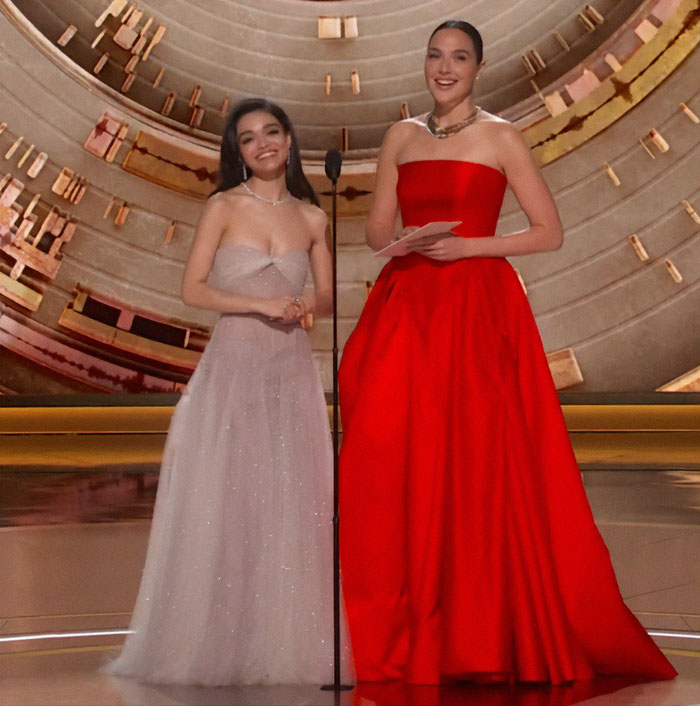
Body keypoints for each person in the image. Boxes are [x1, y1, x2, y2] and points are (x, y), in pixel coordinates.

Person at [338, 21, 677, 685]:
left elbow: (548, 233)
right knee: (393, 456)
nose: (444, 68)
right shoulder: (400, 136)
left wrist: (469, 247)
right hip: (407, 306)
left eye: (458, 58)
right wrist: (402, 239)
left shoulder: (501, 137)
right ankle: (405, 619)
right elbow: (377, 226)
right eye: (434, 56)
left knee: (476, 462)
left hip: (475, 310)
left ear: (478, 67)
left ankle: (478, 629)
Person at [106, 98, 352, 685]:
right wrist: (259, 302)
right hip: (232, 370)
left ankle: (284, 647)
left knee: (288, 509)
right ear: (236, 150)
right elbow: (193, 289)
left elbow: (329, 297)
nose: (263, 143)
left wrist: (303, 306)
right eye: (248, 138)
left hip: (289, 374)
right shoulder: (221, 206)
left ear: (291, 140)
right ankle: (215, 646)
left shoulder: (313, 219)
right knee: (227, 504)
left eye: (272, 132)